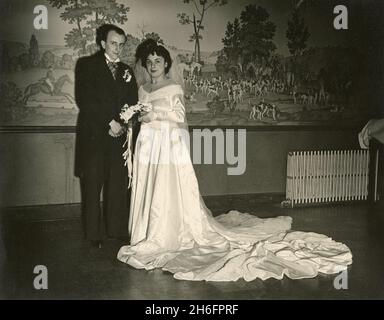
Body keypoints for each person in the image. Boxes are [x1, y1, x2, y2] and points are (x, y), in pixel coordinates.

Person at [117, 39, 352, 282]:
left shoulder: (173, 87)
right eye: (150, 61)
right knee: (148, 189)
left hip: (166, 146)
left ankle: (164, 234)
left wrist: (154, 114)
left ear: (166, 64)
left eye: (158, 61)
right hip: (148, 145)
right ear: (145, 65)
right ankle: (146, 233)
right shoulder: (143, 89)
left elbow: (178, 116)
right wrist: (137, 117)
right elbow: (140, 114)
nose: (154, 65)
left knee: (165, 192)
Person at [74, 24, 140, 248]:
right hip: (94, 138)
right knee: (92, 187)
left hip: (119, 138)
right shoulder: (86, 65)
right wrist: (108, 122)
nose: (118, 49)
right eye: (114, 43)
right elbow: (85, 99)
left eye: (121, 45)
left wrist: (123, 122)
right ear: (103, 43)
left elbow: (132, 102)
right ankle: (93, 235)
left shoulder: (127, 71)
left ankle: (117, 230)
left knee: (118, 186)